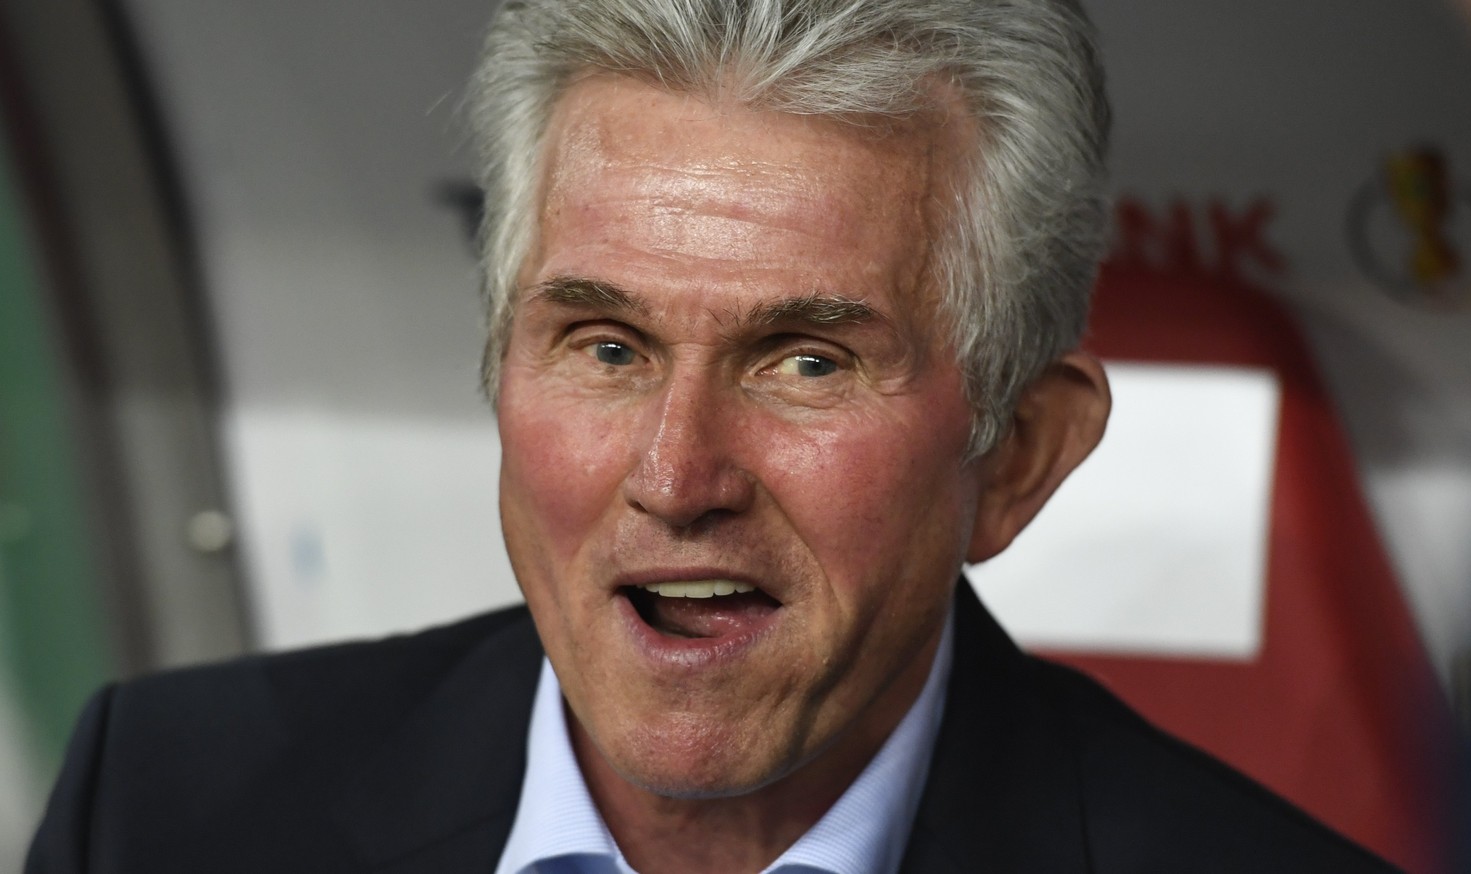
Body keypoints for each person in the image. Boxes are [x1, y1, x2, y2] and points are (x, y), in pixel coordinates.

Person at [27, 1, 1398, 871]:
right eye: (608, 346)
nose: (678, 474)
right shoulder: (165, 807)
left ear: (1020, 453)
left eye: (806, 360)